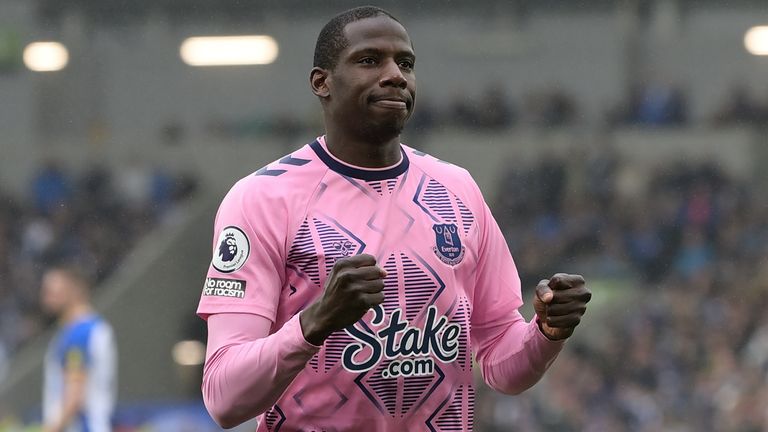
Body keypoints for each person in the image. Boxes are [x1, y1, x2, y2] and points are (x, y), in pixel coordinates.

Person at [197, 6, 591, 431]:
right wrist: (315, 321)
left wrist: (546, 333)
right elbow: (224, 397)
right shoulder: (263, 198)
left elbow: (501, 364)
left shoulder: (457, 190)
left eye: (405, 63)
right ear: (321, 82)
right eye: (369, 60)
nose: (395, 75)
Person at [40, 265, 117, 432]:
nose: (46, 297)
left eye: (52, 291)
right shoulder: (89, 328)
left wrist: (51, 429)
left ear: (74, 291)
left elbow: (74, 394)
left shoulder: (79, 333)